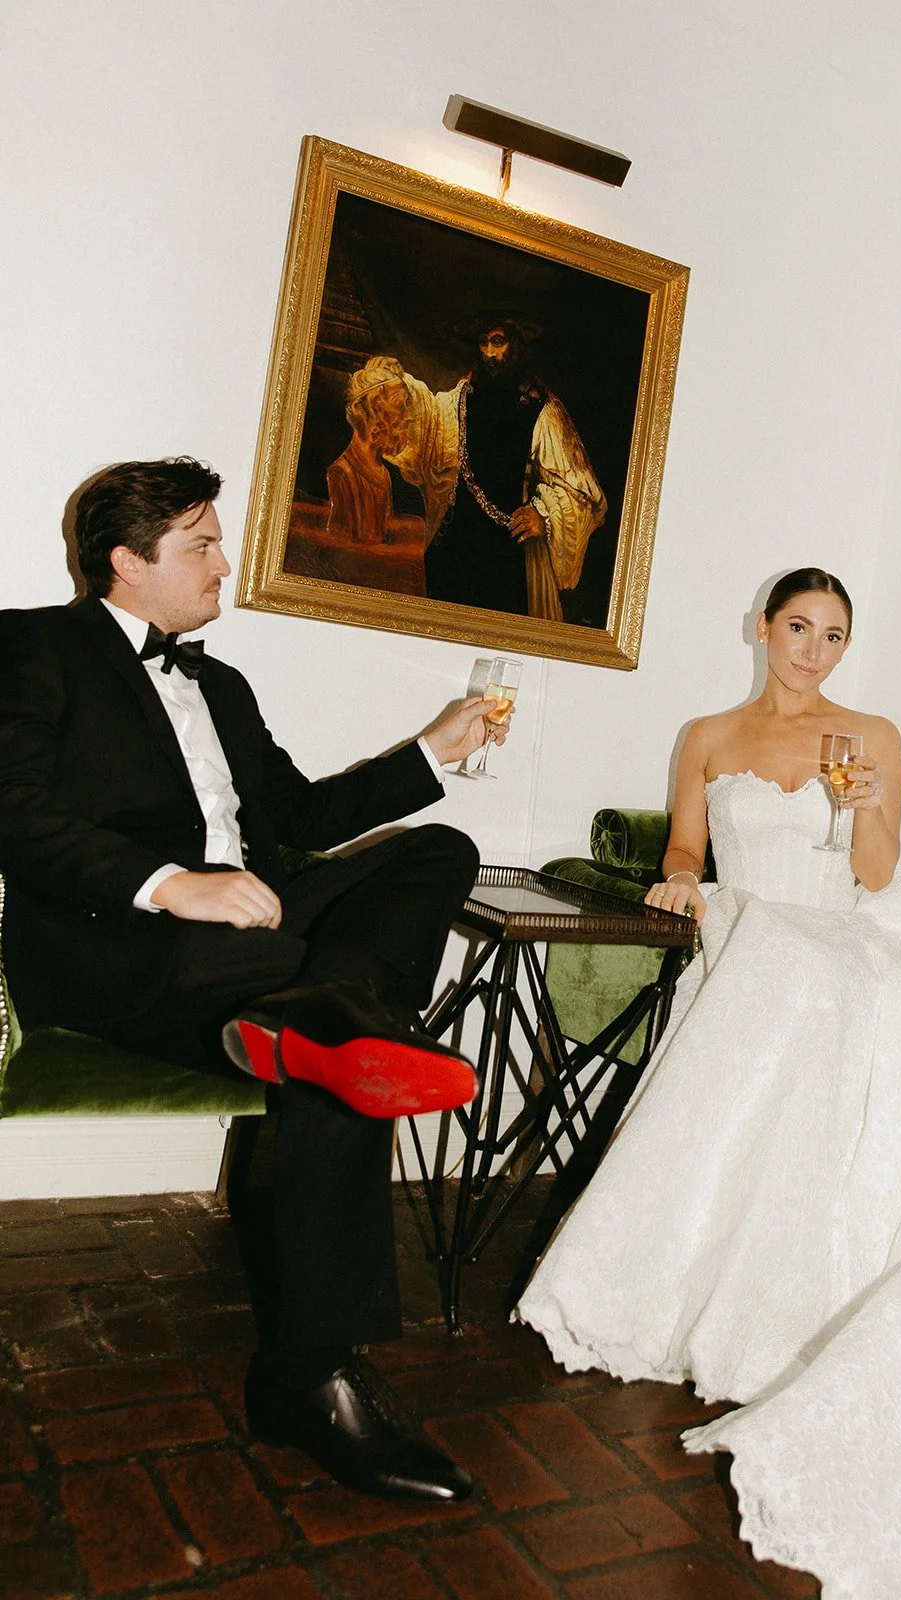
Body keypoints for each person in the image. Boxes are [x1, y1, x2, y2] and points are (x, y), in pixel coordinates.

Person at [517, 568, 901, 1599]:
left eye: (832, 636)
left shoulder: (870, 735)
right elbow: (687, 843)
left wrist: (861, 808)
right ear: (759, 628)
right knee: (776, 964)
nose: (812, 651)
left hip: (846, 929)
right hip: (749, 921)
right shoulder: (707, 735)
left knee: (836, 979)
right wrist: (678, 874)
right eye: (798, 628)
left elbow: (872, 873)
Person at [0, 456, 512, 1505]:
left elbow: (299, 824)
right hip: (122, 949)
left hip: (256, 941)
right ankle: (312, 1373)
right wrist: (168, 882)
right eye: (200, 544)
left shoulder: (220, 683)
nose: (224, 562)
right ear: (124, 561)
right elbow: (15, 811)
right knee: (338, 1026)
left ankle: (327, 1017)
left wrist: (430, 749)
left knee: (435, 850)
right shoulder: (32, 646)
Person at [367, 312, 607, 620]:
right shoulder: (462, 397)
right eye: (483, 343)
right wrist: (399, 383)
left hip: (509, 554)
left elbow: (578, 488)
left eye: (498, 342)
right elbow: (430, 424)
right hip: (458, 542)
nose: (489, 353)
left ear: (515, 347)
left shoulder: (541, 410)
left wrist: (543, 514)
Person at [324, 365, 427, 555]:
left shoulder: (384, 474)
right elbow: (341, 548)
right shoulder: (342, 473)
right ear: (371, 411)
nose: (407, 416)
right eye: (399, 404)